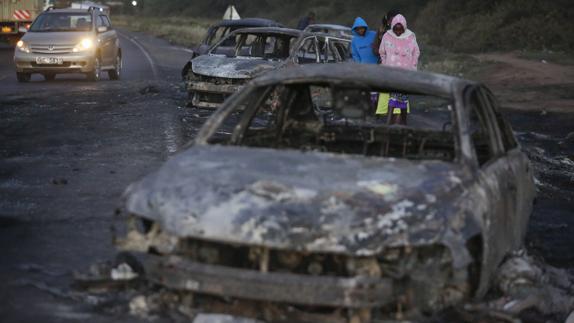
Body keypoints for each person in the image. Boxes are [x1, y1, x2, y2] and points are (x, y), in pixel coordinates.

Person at [378, 14, 420, 125]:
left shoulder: (410, 36)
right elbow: (382, 52)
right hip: (391, 72)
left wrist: (413, 67)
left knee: (403, 100)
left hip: (406, 73)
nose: (398, 31)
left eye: (400, 29)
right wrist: (385, 64)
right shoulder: (387, 36)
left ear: (404, 27)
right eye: (396, 29)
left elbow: (416, 52)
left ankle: (403, 123)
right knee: (392, 99)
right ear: (392, 27)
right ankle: (389, 124)